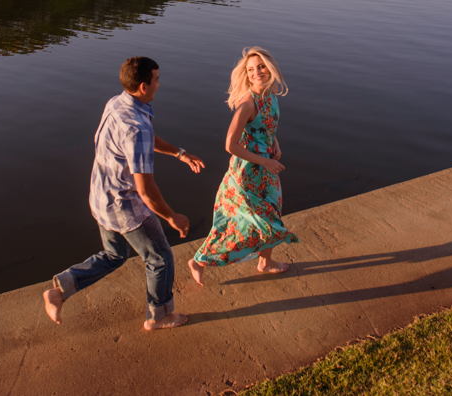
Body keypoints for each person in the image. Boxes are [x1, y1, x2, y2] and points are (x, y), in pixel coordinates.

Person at [43, 56, 205, 330]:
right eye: (156, 80)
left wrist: (179, 153)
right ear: (144, 86)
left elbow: (146, 139)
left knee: (115, 255)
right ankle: (159, 316)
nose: (159, 84)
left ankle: (61, 289)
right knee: (160, 258)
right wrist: (171, 217)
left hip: (101, 197)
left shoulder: (117, 103)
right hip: (125, 206)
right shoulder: (136, 128)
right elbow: (145, 189)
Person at [188, 46, 298, 286]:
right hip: (248, 172)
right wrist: (266, 160)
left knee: (271, 215)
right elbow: (230, 144)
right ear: (246, 74)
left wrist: (274, 143)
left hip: (267, 168)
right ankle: (199, 261)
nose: (257, 72)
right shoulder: (248, 104)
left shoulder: (271, 94)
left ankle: (265, 262)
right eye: (251, 70)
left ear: (270, 68)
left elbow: (266, 126)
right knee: (238, 223)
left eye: (261, 67)